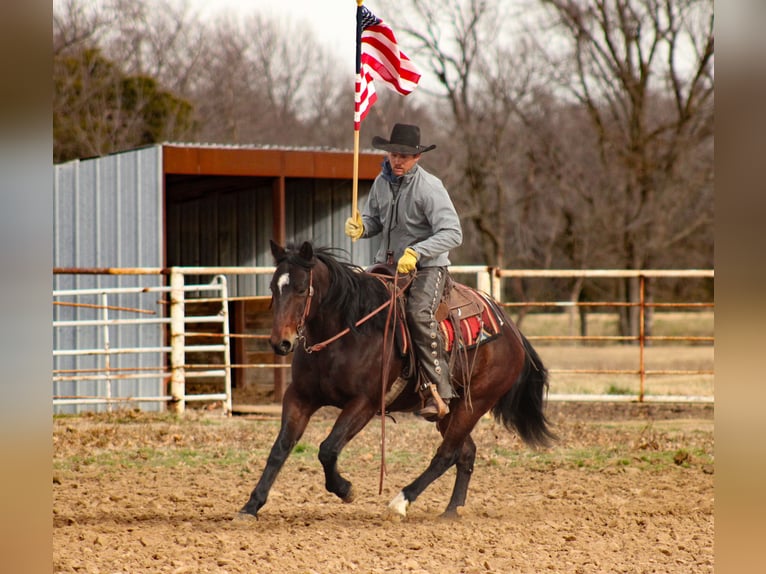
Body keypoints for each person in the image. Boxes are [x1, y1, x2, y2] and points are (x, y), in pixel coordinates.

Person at [345, 123, 463, 420]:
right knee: (356, 305)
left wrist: (418, 251)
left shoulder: (430, 188)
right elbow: (375, 220)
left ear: (417, 158)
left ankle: (438, 389)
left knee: (418, 314)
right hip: (386, 267)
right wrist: (363, 228)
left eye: (405, 156)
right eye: (394, 154)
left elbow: (453, 232)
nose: (398, 161)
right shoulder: (380, 183)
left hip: (427, 269)